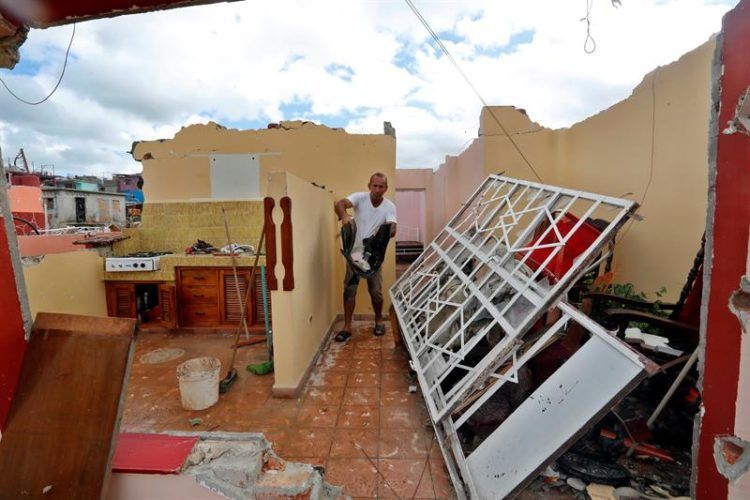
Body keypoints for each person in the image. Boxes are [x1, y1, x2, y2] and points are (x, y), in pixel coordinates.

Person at [333, 172, 397, 341]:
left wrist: (385, 231)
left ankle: (378, 321)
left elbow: (393, 229)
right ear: (369, 186)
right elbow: (340, 204)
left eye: (381, 186)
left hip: (374, 257)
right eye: (374, 185)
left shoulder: (389, 206)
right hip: (353, 253)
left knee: (376, 292)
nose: (377, 189)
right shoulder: (360, 198)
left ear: (386, 188)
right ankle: (347, 326)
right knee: (349, 290)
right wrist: (344, 216)